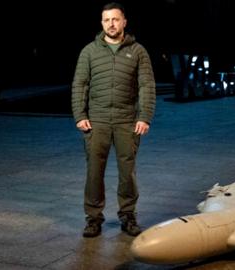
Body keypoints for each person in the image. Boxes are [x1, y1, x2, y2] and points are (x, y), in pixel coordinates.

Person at [71, 2, 156, 237]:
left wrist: (145, 117)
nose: (111, 24)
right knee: (94, 172)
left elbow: (146, 85)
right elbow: (80, 84)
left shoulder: (138, 51)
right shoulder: (89, 51)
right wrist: (80, 115)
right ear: (101, 23)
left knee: (127, 172)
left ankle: (128, 216)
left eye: (115, 19)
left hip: (126, 121)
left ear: (124, 22)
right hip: (96, 121)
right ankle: (93, 218)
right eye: (107, 19)